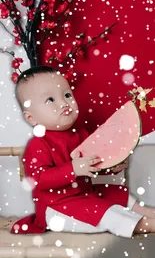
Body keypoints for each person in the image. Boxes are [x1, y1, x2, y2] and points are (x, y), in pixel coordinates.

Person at [8, 66, 155, 237]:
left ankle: (145, 212)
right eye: (50, 100)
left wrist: (111, 166)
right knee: (107, 213)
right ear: (31, 118)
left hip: (84, 194)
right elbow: (38, 179)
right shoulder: (38, 145)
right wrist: (72, 169)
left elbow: (91, 164)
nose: (64, 103)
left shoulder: (81, 134)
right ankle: (146, 224)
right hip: (57, 208)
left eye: (67, 95)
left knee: (116, 193)